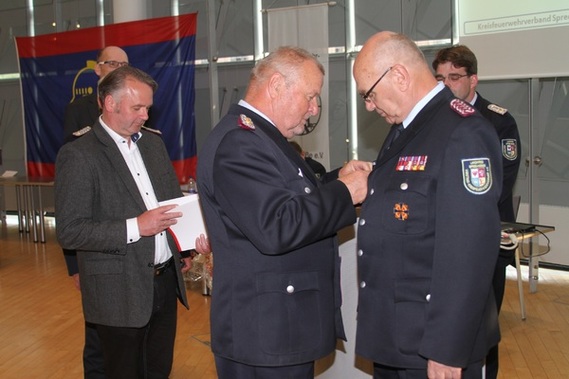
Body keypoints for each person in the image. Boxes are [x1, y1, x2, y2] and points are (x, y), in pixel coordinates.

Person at [197, 46, 371, 379]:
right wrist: (346, 192)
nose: (313, 109)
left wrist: (339, 178)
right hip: (266, 332)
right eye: (310, 97)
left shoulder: (259, 137)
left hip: (277, 326)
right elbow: (276, 225)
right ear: (276, 85)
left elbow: (296, 194)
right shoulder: (240, 143)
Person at [352, 31, 503, 379]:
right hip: (397, 336)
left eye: (369, 94)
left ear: (400, 76)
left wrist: (447, 349)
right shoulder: (409, 126)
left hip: (433, 345)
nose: (369, 106)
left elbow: (470, 251)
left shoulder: (462, 132)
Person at [55, 65, 209, 379]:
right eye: (137, 107)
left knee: (158, 370)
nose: (145, 116)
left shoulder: (153, 145)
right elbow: (70, 231)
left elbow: (169, 206)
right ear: (110, 103)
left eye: (148, 108)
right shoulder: (79, 155)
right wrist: (135, 227)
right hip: (117, 291)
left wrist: (184, 247)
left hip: (164, 283)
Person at [432, 44, 521, 378]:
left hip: (484, 240)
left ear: (473, 80)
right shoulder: (430, 120)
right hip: (439, 240)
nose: (446, 85)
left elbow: (498, 183)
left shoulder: (497, 121)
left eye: (454, 77)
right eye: (439, 78)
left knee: (483, 329)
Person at [61, 45, 129, 379]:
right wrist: (73, 262)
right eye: (111, 62)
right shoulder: (79, 111)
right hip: (94, 240)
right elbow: (71, 195)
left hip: (133, 241)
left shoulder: (138, 113)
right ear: (97, 69)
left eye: (124, 64)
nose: (117, 67)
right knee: (98, 335)